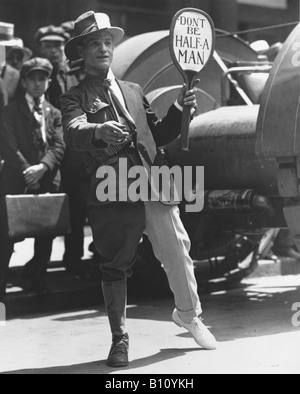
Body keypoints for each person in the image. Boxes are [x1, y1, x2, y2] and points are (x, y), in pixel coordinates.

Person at [61, 11, 217, 368]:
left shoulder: (134, 90)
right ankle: (120, 339)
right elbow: (73, 130)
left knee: (178, 250)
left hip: (154, 182)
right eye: (94, 44)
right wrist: (96, 132)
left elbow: (158, 134)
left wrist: (180, 109)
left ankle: (189, 315)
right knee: (115, 265)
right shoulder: (74, 96)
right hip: (112, 189)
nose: (102, 49)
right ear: (82, 53)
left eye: (107, 42)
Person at [0, 58, 65, 300]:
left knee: (46, 234)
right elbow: (8, 145)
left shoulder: (55, 113)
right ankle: (2, 281)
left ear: (48, 82)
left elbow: (59, 145)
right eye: (33, 79)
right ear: (24, 82)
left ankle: (37, 278)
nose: (38, 84)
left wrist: (42, 168)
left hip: (47, 178)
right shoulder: (10, 111)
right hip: (16, 179)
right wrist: (28, 171)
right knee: (6, 234)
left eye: (43, 79)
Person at [35, 25, 90, 278]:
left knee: (77, 210)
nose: (54, 50)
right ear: (40, 48)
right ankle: (39, 263)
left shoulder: (73, 77)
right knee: (43, 211)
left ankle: (73, 259)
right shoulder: (36, 76)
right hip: (47, 155)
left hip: (73, 158)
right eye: (48, 46)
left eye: (58, 46)